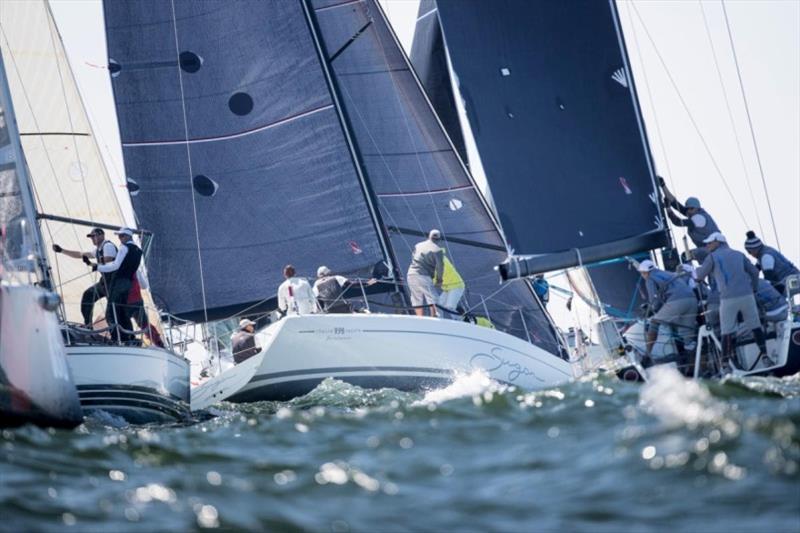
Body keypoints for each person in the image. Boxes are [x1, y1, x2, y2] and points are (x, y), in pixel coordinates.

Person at [694, 232, 771, 369]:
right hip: (747, 296)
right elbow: (754, 272)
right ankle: (765, 356)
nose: (707, 245)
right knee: (756, 326)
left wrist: (696, 272)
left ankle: (725, 365)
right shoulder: (739, 254)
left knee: (726, 331)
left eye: (710, 243)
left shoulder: (712, 257)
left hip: (728, 299)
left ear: (718, 242)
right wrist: (753, 289)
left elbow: (699, 276)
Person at [637, 259, 698, 368]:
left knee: (654, 322)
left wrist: (651, 310)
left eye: (642, 273)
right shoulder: (669, 273)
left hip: (677, 302)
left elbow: (654, 300)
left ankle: (647, 355)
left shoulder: (650, 279)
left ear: (644, 272)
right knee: (688, 338)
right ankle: (694, 367)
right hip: (692, 300)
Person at [53, 227, 117, 327]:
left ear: (102, 235)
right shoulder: (97, 250)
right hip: (104, 283)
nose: (92, 239)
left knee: (113, 312)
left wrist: (92, 264)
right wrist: (62, 250)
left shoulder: (108, 246)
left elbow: (108, 263)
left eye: (94, 236)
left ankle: (120, 336)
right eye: (91, 237)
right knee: (88, 296)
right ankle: (88, 325)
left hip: (114, 285)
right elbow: (80, 254)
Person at [91, 227, 143, 343]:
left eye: (122, 236)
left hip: (119, 282)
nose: (120, 238)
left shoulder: (124, 248)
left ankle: (117, 339)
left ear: (128, 236)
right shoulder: (138, 251)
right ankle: (129, 337)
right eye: (119, 236)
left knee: (111, 312)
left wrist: (98, 267)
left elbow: (115, 265)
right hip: (128, 284)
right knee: (121, 311)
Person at [660, 180, 720, 262]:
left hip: (714, 249)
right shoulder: (694, 214)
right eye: (687, 209)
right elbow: (676, 204)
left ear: (697, 208)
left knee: (686, 256)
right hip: (710, 249)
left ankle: (689, 274)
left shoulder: (699, 218)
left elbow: (678, 222)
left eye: (691, 209)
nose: (688, 211)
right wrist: (663, 186)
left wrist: (668, 209)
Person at [406, 229, 444, 317]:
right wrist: (439, 281)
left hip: (410, 274)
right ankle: (435, 319)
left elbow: (413, 256)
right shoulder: (438, 250)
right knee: (433, 299)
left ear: (429, 237)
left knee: (416, 298)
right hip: (423, 276)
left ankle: (420, 319)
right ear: (439, 239)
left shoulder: (418, 245)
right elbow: (440, 267)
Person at [437, 252, 465, 319]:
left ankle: (461, 321)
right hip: (448, 288)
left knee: (450, 306)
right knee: (438, 305)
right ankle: (439, 321)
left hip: (456, 286)